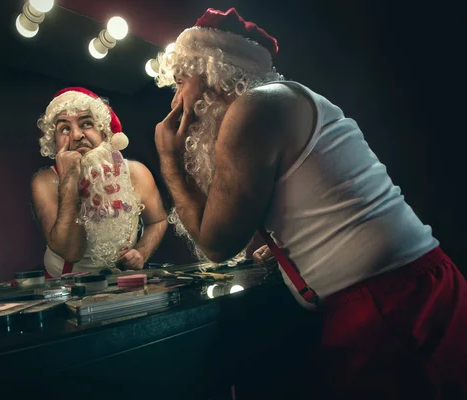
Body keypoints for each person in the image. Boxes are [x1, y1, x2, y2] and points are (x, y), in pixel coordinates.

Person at [153, 7, 467, 398]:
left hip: (394, 305)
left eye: (181, 81)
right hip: (399, 296)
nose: (176, 101)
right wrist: (288, 251)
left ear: (210, 72)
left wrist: (168, 157)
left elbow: (215, 244)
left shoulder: (252, 108)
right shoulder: (281, 100)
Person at [31, 87, 167, 278]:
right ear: (54, 141)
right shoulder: (45, 182)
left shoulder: (137, 173)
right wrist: (70, 178)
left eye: (86, 123)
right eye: (64, 128)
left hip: (121, 285)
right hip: (65, 286)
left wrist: (142, 252)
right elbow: (71, 252)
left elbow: (158, 221)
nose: (77, 135)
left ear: (104, 131)